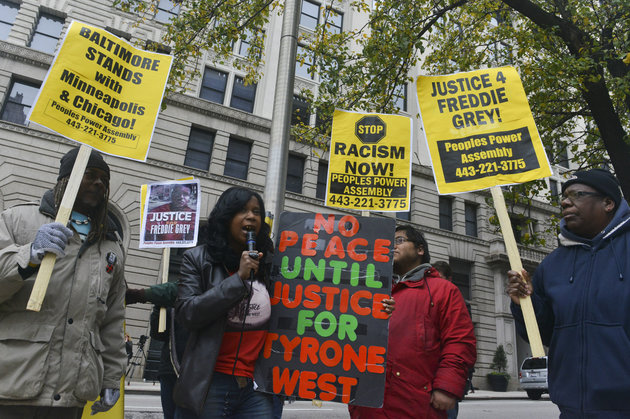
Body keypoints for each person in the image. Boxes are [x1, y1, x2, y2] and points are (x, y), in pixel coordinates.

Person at [0, 147, 126, 418]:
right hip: (13, 382)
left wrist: (112, 378)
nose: (98, 183)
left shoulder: (111, 246)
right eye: (89, 174)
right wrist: (29, 254)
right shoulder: (17, 220)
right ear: (65, 181)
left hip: (72, 394)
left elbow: (112, 319)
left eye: (104, 179)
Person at [508, 168, 630, 417]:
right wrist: (525, 304)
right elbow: (545, 334)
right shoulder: (551, 266)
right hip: (573, 408)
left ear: (608, 203)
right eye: (564, 196)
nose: (564, 201)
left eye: (577, 194)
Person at [350, 225, 476, 419]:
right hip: (368, 406)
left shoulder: (443, 290)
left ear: (420, 250)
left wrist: (447, 386)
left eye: (399, 241)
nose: (391, 246)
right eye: (388, 243)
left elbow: (459, 341)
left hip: (417, 405)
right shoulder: (371, 289)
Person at [171, 186, 276, 418]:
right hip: (210, 383)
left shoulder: (270, 264)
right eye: (242, 210)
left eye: (256, 212)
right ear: (226, 217)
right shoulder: (197, 259)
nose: (251, 216)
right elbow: (188, 313)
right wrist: (238, 279)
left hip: (256, 387)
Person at [126, 282, 185, 419]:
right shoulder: (169, 298)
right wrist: (158, 309)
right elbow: (159, 334)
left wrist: (144, 294)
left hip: (192, 370)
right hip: (169, 368)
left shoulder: (195, 288)